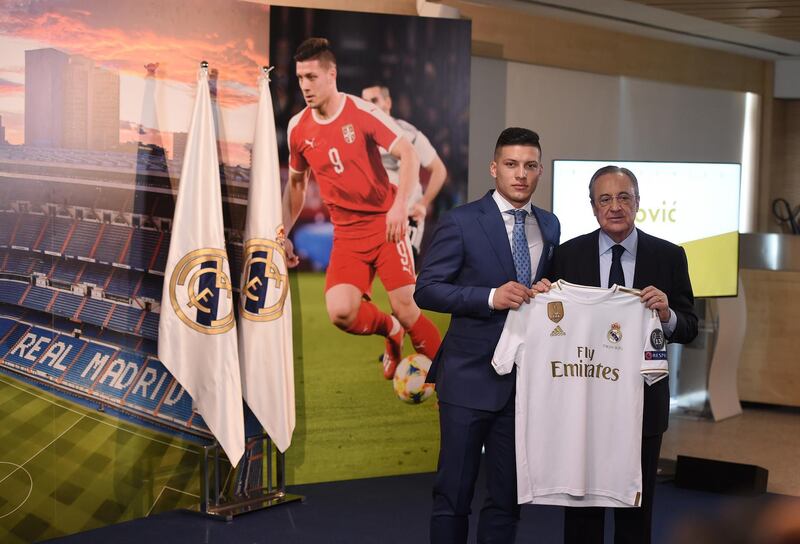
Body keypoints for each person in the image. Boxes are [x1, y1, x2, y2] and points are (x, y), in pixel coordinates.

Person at [538, 165, 698, 544]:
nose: (615, 207)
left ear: (638, 203)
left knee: (636, 516)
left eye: (624, 197)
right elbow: (552, 325)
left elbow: (689, 326)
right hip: (583, 406)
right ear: (592, 207)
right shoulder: (567, 255)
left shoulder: (669, 256)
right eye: (605, 199)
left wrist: (667, 315)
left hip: (643, 405)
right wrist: (539, 293)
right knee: (581, 513)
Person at [415, 127, 560, 543]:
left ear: (540, 171)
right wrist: (491, 297)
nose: (521, 175)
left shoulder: (550, 226)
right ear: (494, 168)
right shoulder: (461, 220)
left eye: (530, 166)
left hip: (523, 386)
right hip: (467, 380)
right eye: (512, 165)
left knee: (507, 499)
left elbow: (544, 292)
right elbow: (426, 289)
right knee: (453, 495)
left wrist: (551, 288)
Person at [283, 37, 441, 379]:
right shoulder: (298, 129)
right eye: (300, 78)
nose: (305, 86)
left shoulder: (362, 112)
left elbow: (409, 155)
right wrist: (283, 233)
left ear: (331, 74)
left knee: (407, 307)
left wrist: (400, 206)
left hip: (386, 224)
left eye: (311, 77)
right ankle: (391, 331)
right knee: (341, 312)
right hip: (347, 235)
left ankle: (449, 389)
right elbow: (296, 184)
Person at [360, 84, 448, 263]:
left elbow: (439, 170)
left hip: (406, 216)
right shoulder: (359, 138)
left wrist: (423, 204)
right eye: (365, 101)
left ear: (388, 102)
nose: (370, 105)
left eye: (374, 100)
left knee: (406, 281)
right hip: (373, 216)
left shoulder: (408, 134)